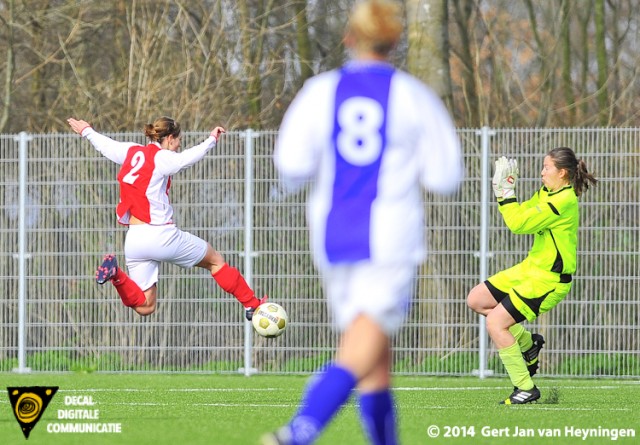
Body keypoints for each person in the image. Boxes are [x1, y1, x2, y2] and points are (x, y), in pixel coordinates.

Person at [263, 1, 463, 444]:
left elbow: (290, 165)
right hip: (389, 235)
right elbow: (445, 177)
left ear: (348, 38)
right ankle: (300, 430)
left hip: (332, 235)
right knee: (364, 343)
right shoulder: (412, 95)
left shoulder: (320, 91)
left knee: (375, 356)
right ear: (395, 42)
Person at [67, 116, 266, 319]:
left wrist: (87, 131)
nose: (179, 145)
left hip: (135, 239)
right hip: (161, 235)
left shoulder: (132, 151)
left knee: (145, 306)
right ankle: (252, 305)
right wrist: (211, 140)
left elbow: (107, 146)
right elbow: (185, 160)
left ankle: (116, 275)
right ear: (170, 138)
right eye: (178, 140)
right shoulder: (161, 157)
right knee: (215, 261)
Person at [467, 147, 597, 404]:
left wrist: (504, 194)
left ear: (562, 173)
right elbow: (521, 213)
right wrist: (506, 195)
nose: (542, 172)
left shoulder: (563, 201)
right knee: (476, 300)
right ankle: (528, 344)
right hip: (531, 269)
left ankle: (525, 387)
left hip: (548, 280)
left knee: (495, 323)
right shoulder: (548, 192)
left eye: (547, 168)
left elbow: (518, 224)